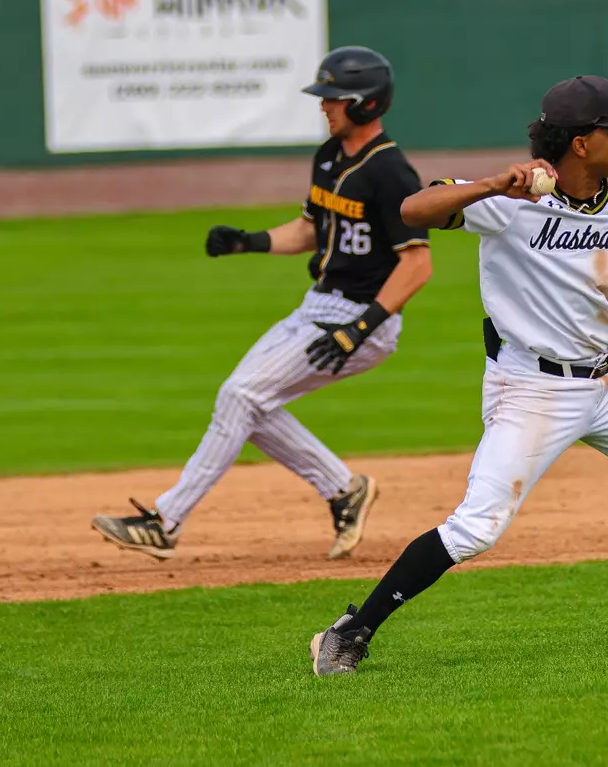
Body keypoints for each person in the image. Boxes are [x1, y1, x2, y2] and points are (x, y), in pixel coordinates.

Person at [308, 74, 608, 675]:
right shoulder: (506, 202)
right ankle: (351, 630)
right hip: (532, 387)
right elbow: (412, 208)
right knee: (477, 528)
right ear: (577, 142)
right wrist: (492, 184)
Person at [92, 46, 431, 561]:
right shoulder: (329, 157)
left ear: (365, 103)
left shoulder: (392, 173)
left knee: (240, 397)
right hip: (318, 306)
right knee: (247, 401)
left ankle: (166, 521)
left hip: (363, 319)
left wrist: (361, 328)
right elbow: (311, 230)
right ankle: (345, 489)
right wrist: (248, 241)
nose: (324, 106)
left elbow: (417, 265)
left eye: (334, 98)